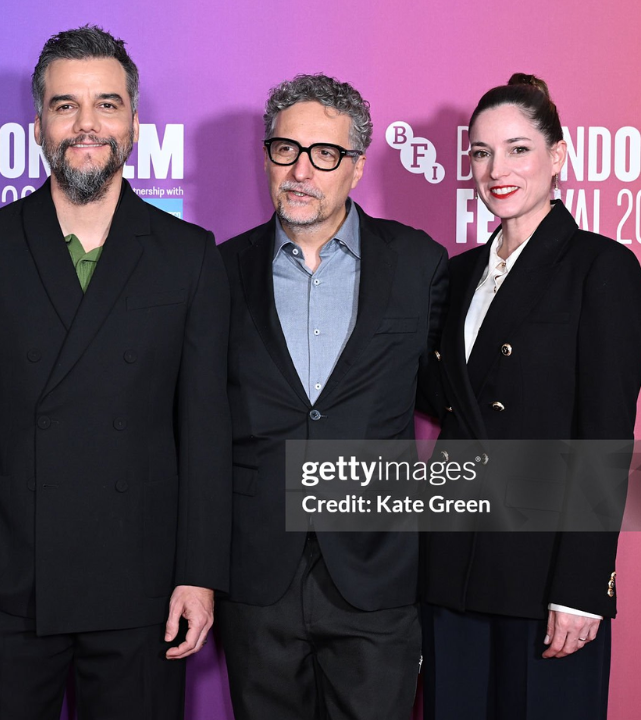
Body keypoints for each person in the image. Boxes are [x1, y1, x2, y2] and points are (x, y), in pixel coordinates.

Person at [0, 25, 231, 720]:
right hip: (6, 579)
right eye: (66, 106)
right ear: (39, 124)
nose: (87, 124)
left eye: (107, 105)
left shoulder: (188, 256)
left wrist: (198, 574)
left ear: (134, 124)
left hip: (141, 585)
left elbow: (206, 430)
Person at [215, 73, 448, 720]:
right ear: (267, 155)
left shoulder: (417, 263)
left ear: (356, 167)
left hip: (376, 572)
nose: (301, 171)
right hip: (256, 572)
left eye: (325, 154)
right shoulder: (217, 271)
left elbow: (452, 393)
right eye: (285, 149)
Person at [420, 74, 641, 720]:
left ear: (558, 156)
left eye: (518, 149)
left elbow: (605, 437)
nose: (497, 170)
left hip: (544, 571)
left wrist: (582, 587)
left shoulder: (600, 267)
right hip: (451, 561)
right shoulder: (455, 274)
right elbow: (440, 396)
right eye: (482, 152)